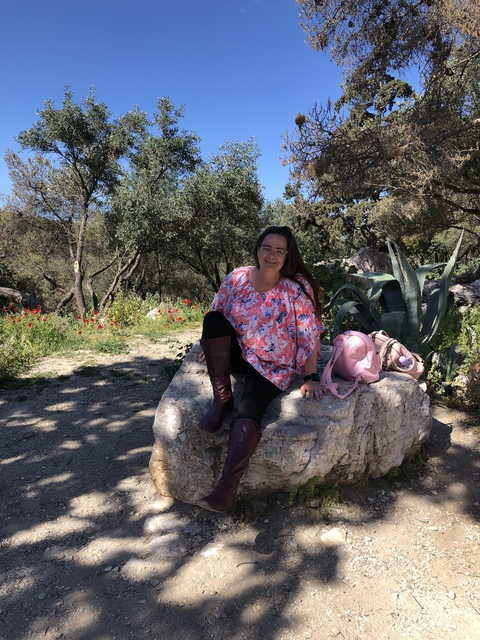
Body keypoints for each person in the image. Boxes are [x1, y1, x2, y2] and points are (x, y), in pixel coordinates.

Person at [198, 225, 325, 513]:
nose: (272, 255)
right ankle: (221, 400)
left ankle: (225, 489)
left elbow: (309, 335)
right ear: (257, 249)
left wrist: (311, 376)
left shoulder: (295, 289)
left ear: (287, 256)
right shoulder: (237, 278)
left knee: (249, 411)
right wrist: (213, 348)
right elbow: (219, 312)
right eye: (267, 247)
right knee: (213, 321)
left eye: (280, 250)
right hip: (242, 355)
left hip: (272, 368)